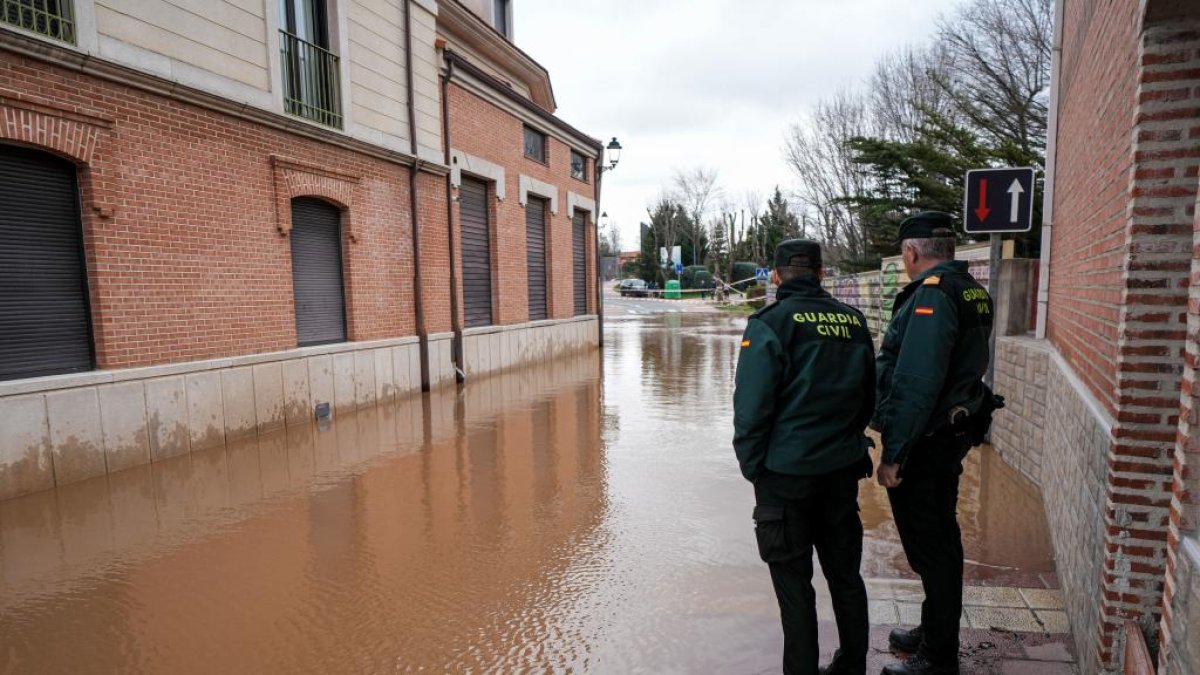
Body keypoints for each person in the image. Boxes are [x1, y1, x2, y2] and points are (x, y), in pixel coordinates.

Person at [733, 239, 876, 675]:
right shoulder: (854, 322)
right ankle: (852, 665)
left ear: (776, 276)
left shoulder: (769, 324)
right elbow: (868, 398)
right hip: (839, 473)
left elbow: (751, 410)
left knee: (795, 588)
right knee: (846, 578)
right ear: (821, 273)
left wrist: (754, 467)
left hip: (785, 476)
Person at [872, 212, 994, 675]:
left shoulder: (933, 295)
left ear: (911, 252)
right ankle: (933, 630)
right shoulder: (970, 289)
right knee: (940, 539)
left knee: (932, 548)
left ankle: (937, 657)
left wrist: (895, 454)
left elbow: (916, 381)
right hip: (950, 431)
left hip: (927, 437)